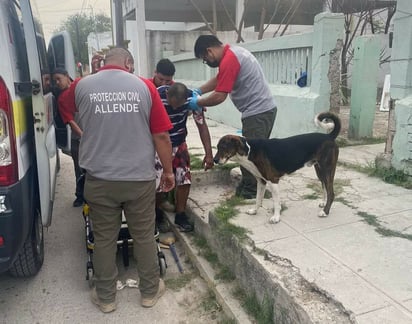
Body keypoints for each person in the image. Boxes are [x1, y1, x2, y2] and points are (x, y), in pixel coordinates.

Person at [59, 47, 175, 313]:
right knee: (144, 236)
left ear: (103, 63)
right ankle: (148, 292)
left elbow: (63, 106)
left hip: (99, 179)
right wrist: (168, 173)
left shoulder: (82, 85)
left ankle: (106, 297)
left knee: (103, 239)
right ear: (128, 62)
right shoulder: (144, 86)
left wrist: (76, 125)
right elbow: (161, 136)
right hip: (139, 179)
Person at [190, 35, 277, 199]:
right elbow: (219, 79)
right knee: (253, 153)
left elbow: (220, 96)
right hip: (260, 110)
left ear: (209, 51)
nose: (206, 62)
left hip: (258, 112)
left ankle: (251, 194)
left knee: (248, 155)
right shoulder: (233, 54)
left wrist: (197, 103)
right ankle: (250, 187)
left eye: (204, 59)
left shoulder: (230, 59)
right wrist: (199, 91)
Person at [155, 82, 214, 232]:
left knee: (185, 179)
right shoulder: (156, 96)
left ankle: (180, 214)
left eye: (178, 106)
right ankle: (157, 214)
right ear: (168, 95)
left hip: (179, 143)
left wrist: (208, 154)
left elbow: (202, 126)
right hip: (159, 145)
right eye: (172, 105)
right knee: (158, 182)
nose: (175, 109)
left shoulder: (192, 101)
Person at [52, 68, 84, 207]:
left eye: (59, 79)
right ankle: (80, 195)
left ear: (67, 76)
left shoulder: (81, 85)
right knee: (79, 169)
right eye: (55, 81)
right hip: (78, 139)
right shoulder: (61, 99)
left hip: (95, 136)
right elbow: (70, 122)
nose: (57, 83)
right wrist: (84, 137)